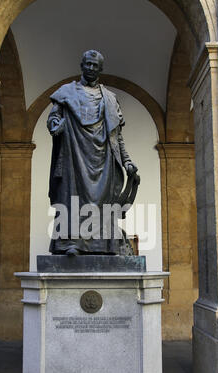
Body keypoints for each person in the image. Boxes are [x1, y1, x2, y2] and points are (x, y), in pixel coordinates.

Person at [47, 50, 139, 255]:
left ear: (101, 69)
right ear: (81, 65)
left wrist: (127, 161)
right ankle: (70, 244)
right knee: (71, 198)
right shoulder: (66, 92)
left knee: (104, 204)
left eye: (95, 65)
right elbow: (53, 118)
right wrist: (56, 126)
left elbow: (117, 135)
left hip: (104, 158)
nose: (90, 68)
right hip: (74, 154)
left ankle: (107, 246)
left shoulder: (110, 98)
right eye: (87, 64)